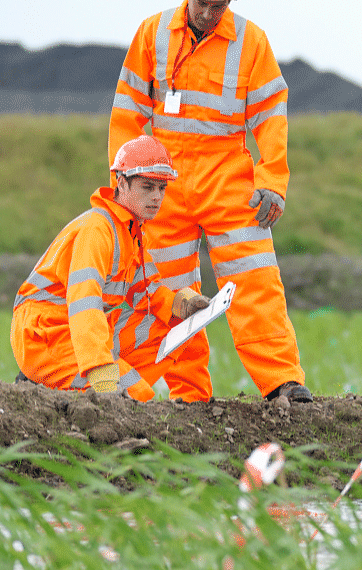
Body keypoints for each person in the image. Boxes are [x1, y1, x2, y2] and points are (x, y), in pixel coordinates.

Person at [107, 0, 312, 402]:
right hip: (164, 185)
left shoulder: (250, 42)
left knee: (256, 281)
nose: (209, 12)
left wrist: (272, 183)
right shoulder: (153, 35)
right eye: (202, 2)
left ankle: (282, 383)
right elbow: (127, 113)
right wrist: (124, 184)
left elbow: (270, 118)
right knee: (168, 294)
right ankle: (190, 396)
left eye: (220, 5)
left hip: (229, 183)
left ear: (232, 1)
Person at [12, 136, 212, 399]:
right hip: (44, 334)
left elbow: (149, 293)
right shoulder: (98, 230)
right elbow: (85, 302)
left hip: (70, 330)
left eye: (161, 189)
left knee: (172, 326)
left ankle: (74, 382)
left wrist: (184, 304)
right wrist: (100, 371)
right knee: (138, 395)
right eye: (147, 187)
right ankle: (50, 381)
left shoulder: (130, 232)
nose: (156, 197)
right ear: (121, 183)